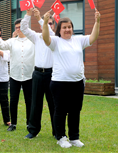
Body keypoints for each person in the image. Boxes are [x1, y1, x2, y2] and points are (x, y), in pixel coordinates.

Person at [42, 9, 100, 148]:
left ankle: (74, 137)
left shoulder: (79, 40)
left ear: (72, 28)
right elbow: (45, 38)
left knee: (75, 110)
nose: (67, 29)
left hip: (77, 83)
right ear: (59, 30)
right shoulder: (56, 41)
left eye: (69, 27)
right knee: (60, 111)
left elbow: (93, 37)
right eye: (64, 27)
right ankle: (61, 137)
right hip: (59, 83)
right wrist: (45, 22)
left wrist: (97, 22)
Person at [20, 8, 56, 139]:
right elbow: (24, 28)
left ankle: (56, 131)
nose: (48, 24)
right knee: (36, 103)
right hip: (37, 74)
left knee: (53, 103)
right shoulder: (36, 37)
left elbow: (50, 32)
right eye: (48, 22)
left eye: (51, 23)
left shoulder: (54, 38)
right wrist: (28, 15)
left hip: (51, 75)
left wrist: (42, 19)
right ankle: (33, 130)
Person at [0, 18, 35, 131]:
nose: (19, 29)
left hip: (29, 75)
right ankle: (13, 124)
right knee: (13, 100)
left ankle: (29, 124)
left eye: (21, 26)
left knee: (29, 101)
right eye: (17, 27)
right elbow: (0, 45)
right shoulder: (12, 41)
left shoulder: (32, 41)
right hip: (14, 76)